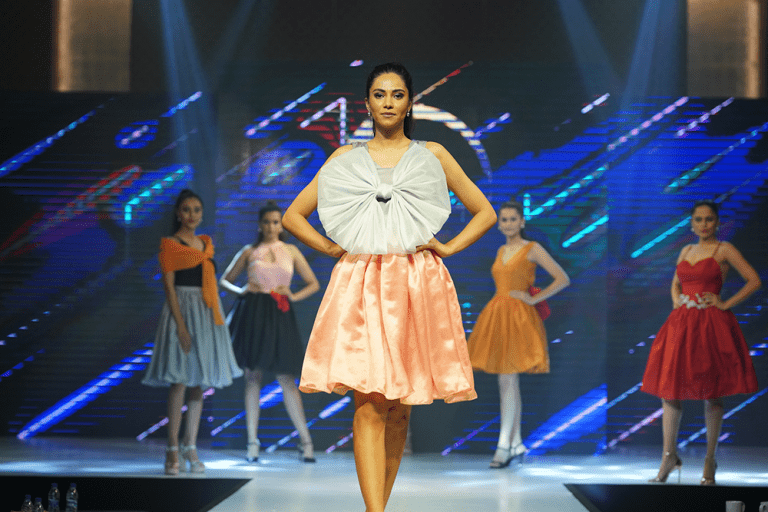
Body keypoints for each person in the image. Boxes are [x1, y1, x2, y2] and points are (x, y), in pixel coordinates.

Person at [282, 62, 497, 512]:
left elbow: (485, 212)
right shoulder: (344, 158)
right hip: (362, 284)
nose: (388, 102)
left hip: (416, 283)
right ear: (367, 103)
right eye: (379, 94)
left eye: (397, 94)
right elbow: (292, 216)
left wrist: (448, 247)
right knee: (368, 401)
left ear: (409, 103)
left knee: (400, 407)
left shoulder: (432, 154)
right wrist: (332, 248)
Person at [642, 199, 760, 485]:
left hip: (711, 325)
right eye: (698, 219)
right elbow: (676, 283)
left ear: (717, 222)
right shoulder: (686, 250)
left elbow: (754, 280)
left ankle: (710, 460)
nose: (704, 224)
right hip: (682, 324)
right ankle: (668, 457)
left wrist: (724, 303)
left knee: (712, 392)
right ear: (692, 224)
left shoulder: (724, 249)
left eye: (709, 219)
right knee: (670, 390)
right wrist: (677, 301)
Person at [142, 189, 243, 475]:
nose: (192, 215)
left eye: (197, 209)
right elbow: (169, 288)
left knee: (200, 383)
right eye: (186, 209)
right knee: (179, 381)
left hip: (207, 312)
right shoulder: (170, 244)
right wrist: (181, 326)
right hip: (182, 311)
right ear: (178, 213)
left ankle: (191, 446)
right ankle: (172, 447)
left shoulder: (206, 244)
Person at [467, 200, 570, 468]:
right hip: (497, 315)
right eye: (504, 220)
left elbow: (562, 278)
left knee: (508, 380)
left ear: (522, 222)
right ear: (499, 224)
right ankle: (515, 443)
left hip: (519, 318)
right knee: (507, 382)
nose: (508, 224)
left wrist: (534, 299)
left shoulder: (532, 248)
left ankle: (504, 445)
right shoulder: (501, 250)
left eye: (513, 219)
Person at [219, 201, 320, 463]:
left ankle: (306, 442)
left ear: (281, 225)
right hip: (254, 313)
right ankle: (252, 442)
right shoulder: (249, 250)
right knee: (253, 376)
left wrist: (293, 296)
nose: (271, 227)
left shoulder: (291, 250)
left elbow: (313, 283)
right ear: (259, 225)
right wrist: (242, 291)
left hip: (280, 313)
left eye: (276, 222)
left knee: (286, 378)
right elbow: (225, 280)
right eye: (266, 222)